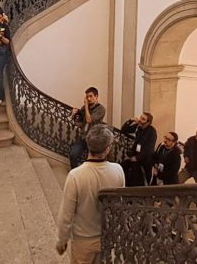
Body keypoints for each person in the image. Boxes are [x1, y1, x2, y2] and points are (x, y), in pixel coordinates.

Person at [55, 125, 125, 263]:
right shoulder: (118, 170)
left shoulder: (75, 175)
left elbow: (66, 214)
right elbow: (119, 207)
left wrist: (61, 241)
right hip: (106, 238)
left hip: (83, 241)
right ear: (107, 149)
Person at [68, 87, 106, 169]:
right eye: (87, 97)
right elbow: (80, 122)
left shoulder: (101, 109)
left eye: (91, 96)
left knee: (91, 161)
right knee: (73, 155)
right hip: (83, 137)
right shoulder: (85, 107)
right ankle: (75, 174)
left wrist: (85, 105)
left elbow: (89, 120)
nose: (89, 99)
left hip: (93, 138)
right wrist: (74, 114)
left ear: (96, 97)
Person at [120, 112, 157, 187]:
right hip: (136, 156)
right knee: (123, 166)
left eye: (143, 119)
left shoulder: (152, 132)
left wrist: (137, 158)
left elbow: (149, 148)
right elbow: (124, 130)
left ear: (148, 122)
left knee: (146, 178)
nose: (140, 120)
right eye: (140, 117)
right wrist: (130, 120)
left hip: (146, 158)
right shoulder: (138, 127)